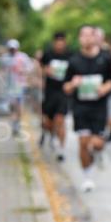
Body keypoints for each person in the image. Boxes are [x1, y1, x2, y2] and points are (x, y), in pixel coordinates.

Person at [63, 25, 111, 192]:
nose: (86, 39)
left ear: (95, 37)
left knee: (97, 143)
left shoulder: (105, 58)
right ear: (79, 39)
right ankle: (87, 177)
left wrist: (104, 89)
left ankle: (99, 152)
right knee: (83, 143)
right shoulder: (73, 60)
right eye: (82, 36)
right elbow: (66, 87)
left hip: (99, 107)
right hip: (80, 106)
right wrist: (73, 84)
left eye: (89, 35)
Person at [40, 32, 71, 161]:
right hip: (49, 92)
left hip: (63, 93)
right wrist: (45, 71)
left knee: (60, 119)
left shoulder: (70, 55)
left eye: (62, 42)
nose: (59, 44)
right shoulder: (48, 55)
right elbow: (40, 68)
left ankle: (61, 149)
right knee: (48, 123)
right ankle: (50, 134)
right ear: (54, 43)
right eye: (57, 42)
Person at [0, 38, 35, 136]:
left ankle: (17, 124)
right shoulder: (5, 58)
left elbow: (30, 67)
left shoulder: (23, 57)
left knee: (18, 107)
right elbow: (1, 70)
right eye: (10, 48)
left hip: (20, 86)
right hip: (9, 87)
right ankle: (14, 125)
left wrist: (23, 71)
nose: (12, 50)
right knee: (12, 106)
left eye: (14, 48)